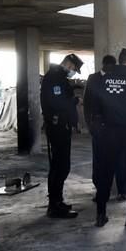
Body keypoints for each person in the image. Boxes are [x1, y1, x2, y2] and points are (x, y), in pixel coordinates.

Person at [86, 47, 126, 228]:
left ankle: (100, 214)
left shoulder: (102, 80)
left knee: (104, 172)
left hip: (107, 134)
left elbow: (93, 107)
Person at [40, 53, 83, 219]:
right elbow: (58, 102)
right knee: (60, 167)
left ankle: (58, 201)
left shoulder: (58, 77)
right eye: (73, 69)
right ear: (68, 64)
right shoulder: (54, 78)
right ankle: (54, 206)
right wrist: (74, 101)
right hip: (57, 127)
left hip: (61, 126)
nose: (72, 72)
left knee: (62, 166)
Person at [84, 54, 126, 201]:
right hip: (99, 128)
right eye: (108, 67)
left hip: (117, 128)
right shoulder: (93, 79)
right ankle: (101, 191)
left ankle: (122, 190)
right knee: (100, 161)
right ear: (103, 65)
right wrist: (91, 126)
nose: (110, 70)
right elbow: (87, 104)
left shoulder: (117, 80)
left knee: (120, 160)